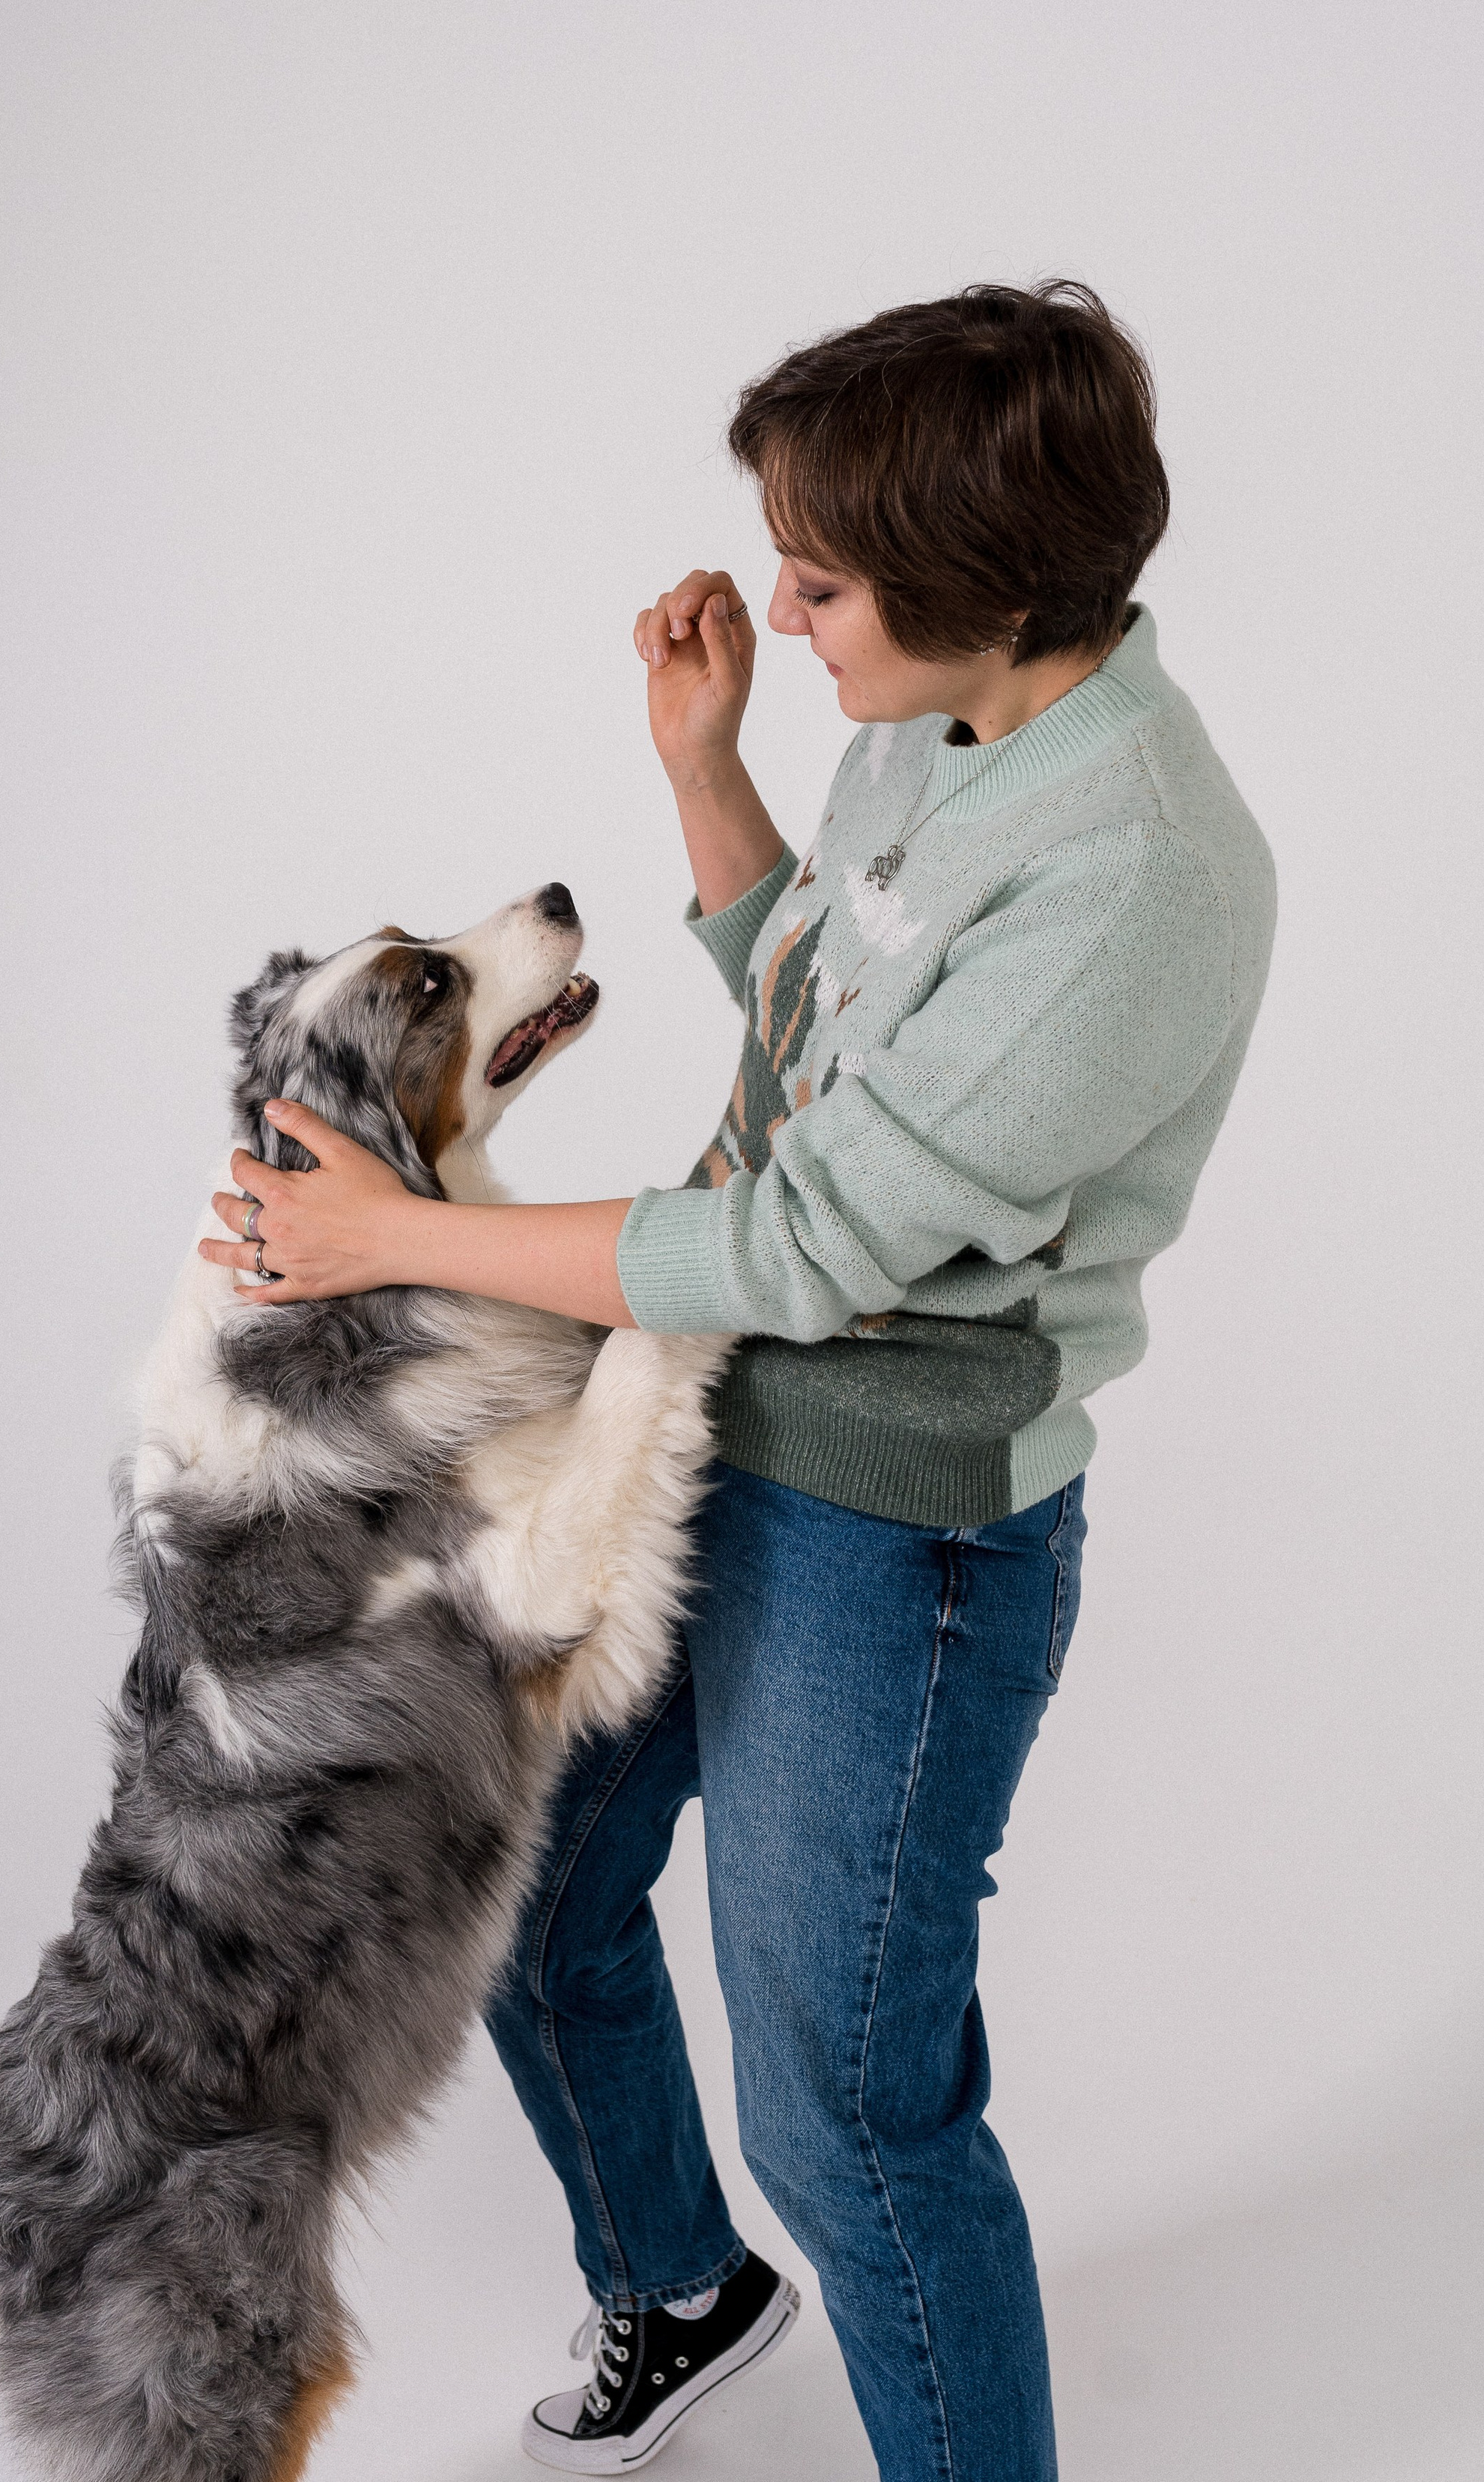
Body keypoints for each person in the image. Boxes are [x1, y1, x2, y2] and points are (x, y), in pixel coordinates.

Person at [199, 281, 1276, 2481]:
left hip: (895, 1534)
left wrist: (390, 1239)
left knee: (854, 2118)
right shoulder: (952, 721)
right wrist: (707, 774)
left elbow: (804, 1240)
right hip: (695, 1437)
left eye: (823, 580)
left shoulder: (1141, 875)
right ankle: (682, 2287)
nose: (783, 613)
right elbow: (815, 1007)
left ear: (984, 591)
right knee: (516, 1916)